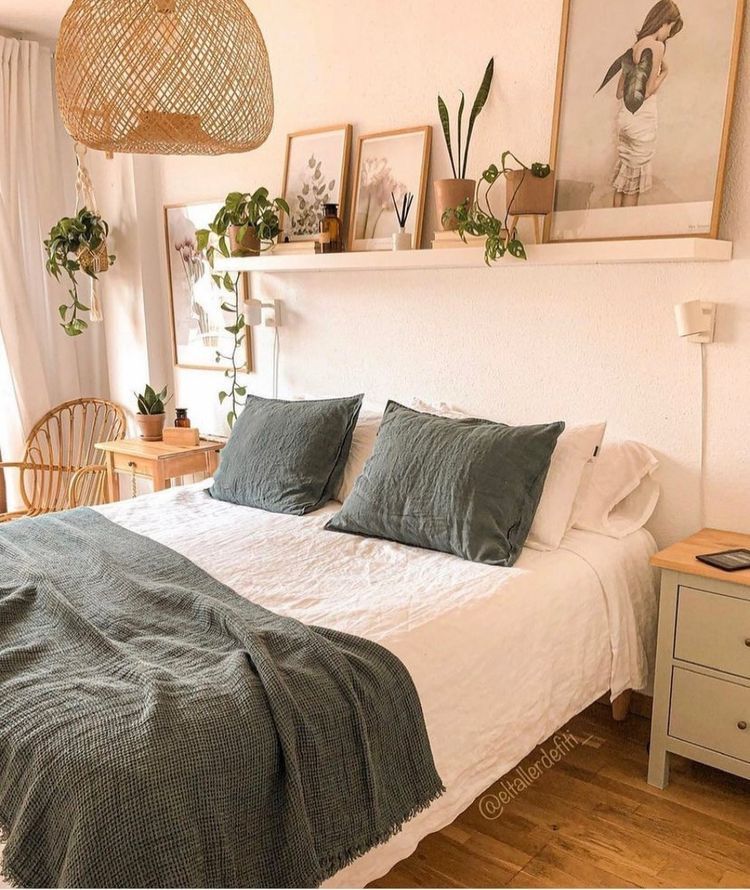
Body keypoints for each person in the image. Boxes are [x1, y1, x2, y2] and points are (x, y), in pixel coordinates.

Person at [597, 1, 684, 207]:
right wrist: (665, 73)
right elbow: (646, 92)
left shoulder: (635, 47)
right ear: (664, 22)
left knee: (623, 181)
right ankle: (626, 229)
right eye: (670, 29)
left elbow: (620, 93)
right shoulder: (657, 46)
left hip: (625, 119)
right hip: (642, 122)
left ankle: (613, 227)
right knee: (633, 184)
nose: (668, 35)